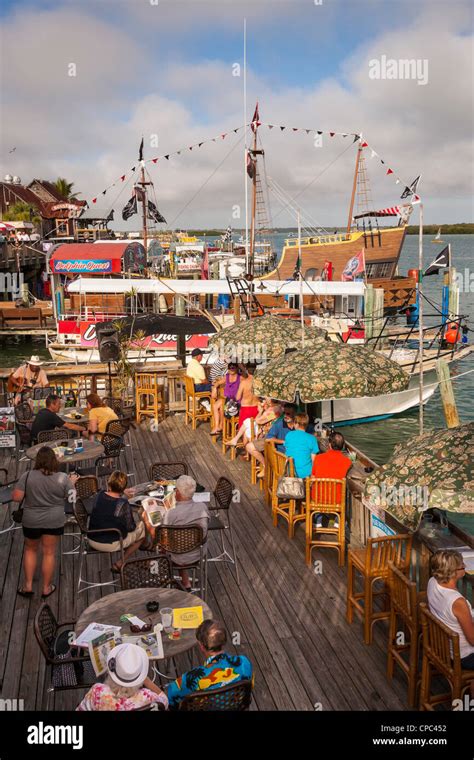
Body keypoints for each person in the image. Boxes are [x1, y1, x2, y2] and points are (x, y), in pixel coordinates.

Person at [13, 447, 77, 598]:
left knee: (30, 550)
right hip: (53, 520)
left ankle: (28, 586)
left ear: (38, 460)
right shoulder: (62, 477)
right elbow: (72, 499)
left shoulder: (27, 476)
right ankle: (46, 588)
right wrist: (72, 483)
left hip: (31, 519)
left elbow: (16, 497)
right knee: (49, 553)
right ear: (54, 460)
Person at [167, 620, 253, 709]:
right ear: (224, 641)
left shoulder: (192, 678)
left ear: (202, 646)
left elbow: (170, 696)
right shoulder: (244, 662)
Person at [77, 643, 168, 711]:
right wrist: (147, 681)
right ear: (140, 678)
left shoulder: (97, 691)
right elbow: (164, 701)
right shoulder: (147, 697)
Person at [87, 471, 147, 571]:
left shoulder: (99, 495)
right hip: (109, 543)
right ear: (123, 488)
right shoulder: (122, 503)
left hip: (91, 538)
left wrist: (122, 493)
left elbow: (109, 501)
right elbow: (130, 527)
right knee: (142, 530)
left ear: (109, 483)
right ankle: (121, 562)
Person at [427, 550, 474, 677]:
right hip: (463, 656)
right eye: (462, 565)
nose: (465, 566)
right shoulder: (458, 602)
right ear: (452, 572)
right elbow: (473, 640)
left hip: (443, 648)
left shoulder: (432, 581)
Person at [162, 475, 209, 591]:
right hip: (198, 552)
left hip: (176, 555)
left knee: (171, 542)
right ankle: (186, 581)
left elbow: (164, 536)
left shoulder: (171, 513)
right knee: (182, 541)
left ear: (177, 492)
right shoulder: (202, 507)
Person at [242, 400, 283, 476]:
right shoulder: (275, 409)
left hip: (271, 436)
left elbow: (258, 421)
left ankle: (265, 465)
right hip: (268, 433)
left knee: (247, 433)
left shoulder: (275, 410)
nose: (264, 399)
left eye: (266, 398)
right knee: (246, 427)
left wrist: (261, 411)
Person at [284, 412, 319, 478]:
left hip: (288, 472)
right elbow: (314, 460)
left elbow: (287, 450)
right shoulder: (312, 438)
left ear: (296, 424)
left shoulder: (289, 435)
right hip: (305, 474)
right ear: (306, 425)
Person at [210, 361, 240, 435]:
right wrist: (214, 389)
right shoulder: (227, 376)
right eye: (230, 368)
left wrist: (241, 365)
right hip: (227, 399)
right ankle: (218, 426)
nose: (231, 370)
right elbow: (217, 383)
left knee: (221, 408)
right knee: (216, 406)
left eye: (233, 368)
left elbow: (247, 377)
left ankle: (220, 426)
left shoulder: (240, 377)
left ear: (237, 368)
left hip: (235, 402)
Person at [234, 364, 259, 429]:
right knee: (254, 429)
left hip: (246, 408)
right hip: (256, 408)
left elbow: (238, 397)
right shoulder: (259, 382)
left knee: (244, 431)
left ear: (247, 371)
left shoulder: (244, 382)